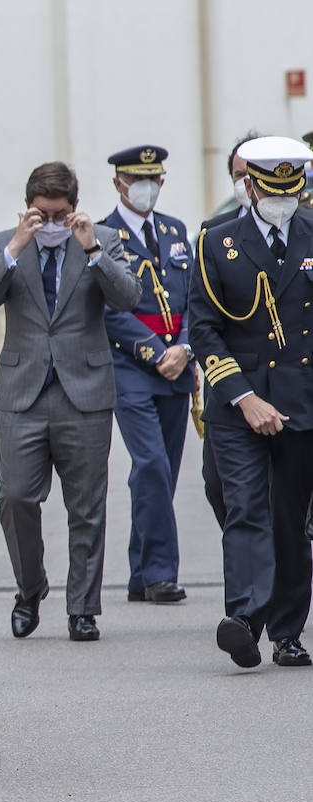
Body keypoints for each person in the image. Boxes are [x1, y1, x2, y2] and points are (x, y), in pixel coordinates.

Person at [0, 160, 140, 643]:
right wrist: (16, 246)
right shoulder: (6, 240)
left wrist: (90, 249)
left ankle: (83, 608)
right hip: (22, 392)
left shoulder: (101, 239)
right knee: (16, 496)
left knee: (86, 506)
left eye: (60, 214)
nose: (52, 223)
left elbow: (129, 298)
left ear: (75, 209)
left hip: (83, 392)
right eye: (42, 214)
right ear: (28, 210)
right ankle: (30, 587)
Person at [189, 135, 313, 669]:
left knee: (289, 520)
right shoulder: (216, 241)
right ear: (251, 186)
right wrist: (243, 397)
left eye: (293, 190)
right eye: (274, 190)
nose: (283, 200)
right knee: (245, 508)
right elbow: (204, 329)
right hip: (238, 404)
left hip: (302, 402)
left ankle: (287, 632)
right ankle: (243, 618)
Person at [98, 146, 193, 605]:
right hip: (131, 366)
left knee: (162, 472)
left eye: (155, 179)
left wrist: (185, 348)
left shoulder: (175, 231)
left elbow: (197, 297)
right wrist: (156, 352)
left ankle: (140, 569)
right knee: (151, 464)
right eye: (139, 179)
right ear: (119, 182)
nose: (148, 188)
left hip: (178, 365)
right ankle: (159, 573)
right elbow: (106, 309)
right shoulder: (103, 234)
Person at [199, 132, 262, 529]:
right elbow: (203, 320)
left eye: (253, 175)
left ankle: (268, 581)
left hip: (288, 384)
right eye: (239, 175)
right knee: (217, 487)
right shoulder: (214, 233)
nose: (247, 185)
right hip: (229, 386)